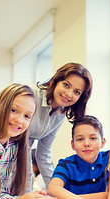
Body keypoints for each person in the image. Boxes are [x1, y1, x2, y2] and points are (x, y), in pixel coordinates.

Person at [27, 62, 93, 192]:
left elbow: (43, 154)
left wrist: (56, 191)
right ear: (57, 80)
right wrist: (26, 190)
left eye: (77, 92)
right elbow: (21, 147)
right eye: (66, 85)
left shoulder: (60, 113)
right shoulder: (31, 95)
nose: (69, 94)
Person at [47, 115, 109, 199]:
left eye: (93, 138)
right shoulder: (65, 164)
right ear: (73, 145)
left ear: (103, 142)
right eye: (80, 139)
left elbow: (109, 195)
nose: (87, 143)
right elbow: (52, 189)